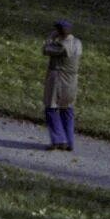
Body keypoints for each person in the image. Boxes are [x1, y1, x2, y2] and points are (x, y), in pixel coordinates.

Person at [43, 19, 81, 151]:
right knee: (67, 109)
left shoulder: (61, 46)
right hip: (72, 81)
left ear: (58, 31)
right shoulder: (77, 43)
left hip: (58, 79)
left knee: (51, 108)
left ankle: (59, 140)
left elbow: (46, 49)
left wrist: (50, 38)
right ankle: (69, 141)